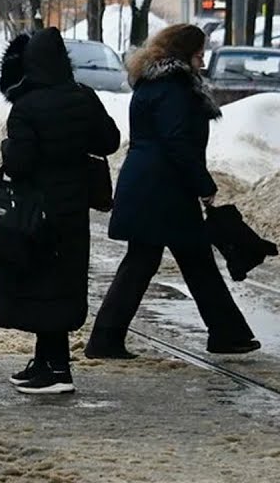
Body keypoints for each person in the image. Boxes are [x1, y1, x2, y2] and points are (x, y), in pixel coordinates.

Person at [87, 24, 259, 358]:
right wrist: (204, 185)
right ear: (184, 53)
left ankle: (107, 338)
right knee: (177, 261)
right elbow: (177, 142)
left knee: (167, 261)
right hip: (163, 189)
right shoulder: (174, 88)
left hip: (153, 185)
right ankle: (225, 333)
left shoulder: (154, 84)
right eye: (199, 52)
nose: (203, 58)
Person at [0, 28, 120, 394]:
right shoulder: (83, 97)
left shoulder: (26, 106)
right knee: (62, 284)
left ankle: (58, 369)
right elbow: (109, 141)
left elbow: (18, 164)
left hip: (37, 210)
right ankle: (48, 361)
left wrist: (8, 146)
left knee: (40, 285)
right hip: (73, 208)